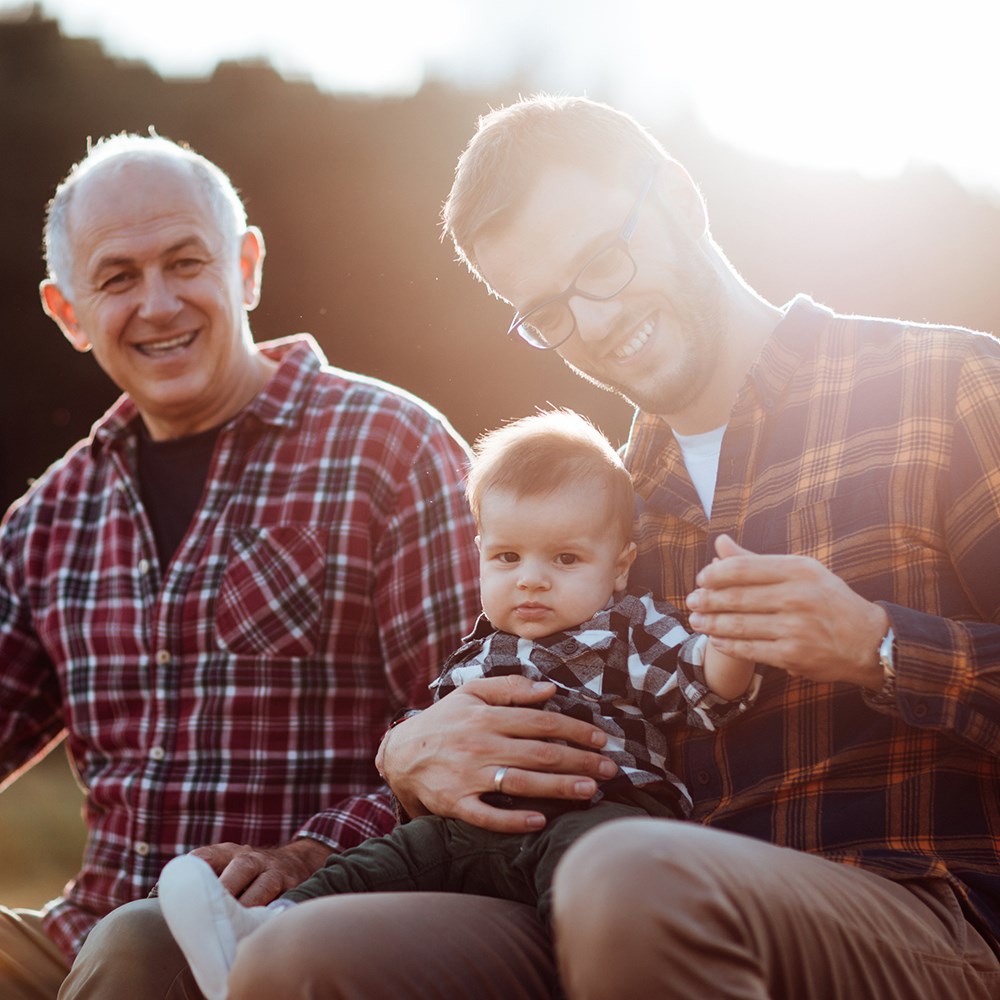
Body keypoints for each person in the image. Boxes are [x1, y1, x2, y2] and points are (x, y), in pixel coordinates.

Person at [220, 94, 1000, 1000]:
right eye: (546, 310)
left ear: (678, 197)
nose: (589, 324)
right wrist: (406, 757)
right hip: (605, 903)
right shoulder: (599, 511)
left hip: (924, 913)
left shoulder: (947, 389)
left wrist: (881, 646)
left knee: (630, 873)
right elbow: (539, 735)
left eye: (601, 262)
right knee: (298, 958)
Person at [0, 132, 480, 1000]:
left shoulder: (389, 448)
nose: (157, 303)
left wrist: (313, 851)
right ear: (68, 312)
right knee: (120, 939)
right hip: (89, 934)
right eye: (116, 278)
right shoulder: (50, 517)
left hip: (302, 921)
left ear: (246, 266)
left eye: (187, 262)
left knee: (141, 946)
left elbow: (468, 721)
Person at [154, 408, 758, 1000]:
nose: (531, 579)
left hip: (595, 813)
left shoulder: (626, 629)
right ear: (480, 554)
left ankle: (597, 971)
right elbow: (434, 753)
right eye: (507, 557)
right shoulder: (476, 651)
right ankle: (261, 934)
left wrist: (731, 640)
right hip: (468, 828)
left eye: (565, 558)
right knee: (377, 862)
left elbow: (702, 683)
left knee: (589, 886)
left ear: (620, 566)